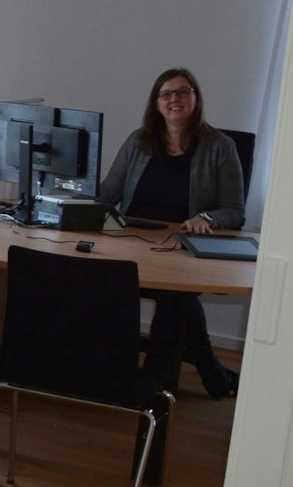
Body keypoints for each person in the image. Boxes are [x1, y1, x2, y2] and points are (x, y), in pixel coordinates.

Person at [94, 67, 244, 398]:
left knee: (175, 293)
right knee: (96, 274)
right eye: (166, 94)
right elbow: (107, 195)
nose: (174, 99)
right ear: (157, 103)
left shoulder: (220, 146)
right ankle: (210, 370)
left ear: (196, 98)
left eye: (182, 92)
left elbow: (235, 210)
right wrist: (71, 206)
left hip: (183, 247)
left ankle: (155, 379)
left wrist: (206, 217)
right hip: (134, 241)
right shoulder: (138, 141)